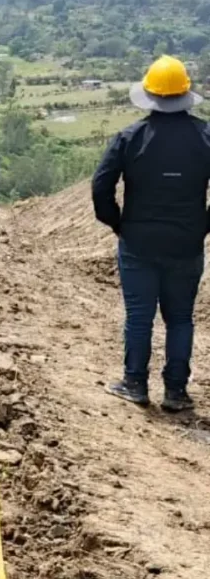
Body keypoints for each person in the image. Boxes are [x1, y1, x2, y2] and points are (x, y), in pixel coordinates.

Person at [93, 55, 210, 412]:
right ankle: (176, 391)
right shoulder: (206, 136)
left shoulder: (131, 136)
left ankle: (135, 383)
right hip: (186, 245)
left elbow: (101, 186)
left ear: (150, 95)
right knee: (180, 319)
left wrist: (118, 223)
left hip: (138, 244)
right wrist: (203, 225)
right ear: (185, 94)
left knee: (139, 316)